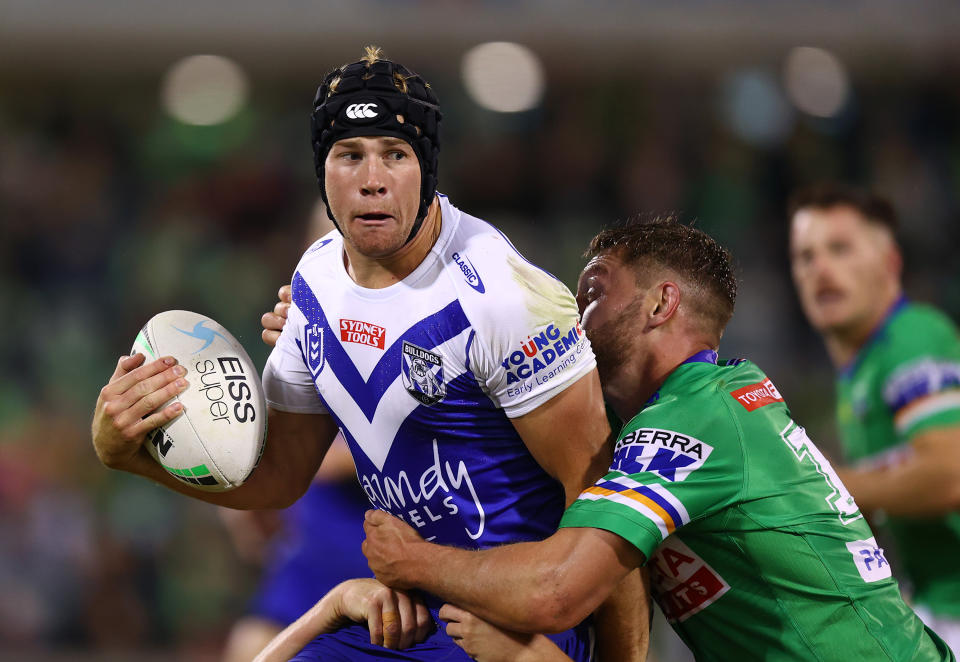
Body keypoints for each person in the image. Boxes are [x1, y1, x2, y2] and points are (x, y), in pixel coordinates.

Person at [91, 46, 646, 661]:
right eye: (349, 155)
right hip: (400, 615)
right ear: (322, 172)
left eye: (396, 155)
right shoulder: (315, 281)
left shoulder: (507, 299)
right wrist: (131, 456)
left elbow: (606, 507)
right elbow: (279, 476)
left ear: (428, 168)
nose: (372, 178)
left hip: (510, 623)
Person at [362, 218, 955, 661]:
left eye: (592, 291)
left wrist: (418, 561)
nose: (572, 312)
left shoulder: (693, 421)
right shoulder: (697, 408)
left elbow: (555, 590)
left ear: (660, 304)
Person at [788, 183, 960, 653]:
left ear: (890, 264)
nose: (820, 268)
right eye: (805, 256)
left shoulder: (911, 338)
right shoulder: (858, 374)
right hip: (934, 604)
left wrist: (824, 486)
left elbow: (950, 475)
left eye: (840, 249)